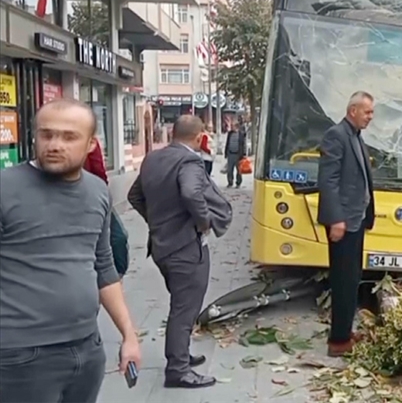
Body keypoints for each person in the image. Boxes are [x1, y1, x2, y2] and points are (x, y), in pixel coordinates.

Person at [0, 99, 141, 403]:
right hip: (19, 357)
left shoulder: (97, 191)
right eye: (46, 134)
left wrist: (128, 334)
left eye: (68, 136)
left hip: (87, 350)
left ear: (91, 144)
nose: (54, 144)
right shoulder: (5, 188)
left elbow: (103, 267)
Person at [127, 115, 233, 389]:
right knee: (184, 310)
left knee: (181, 304)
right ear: (199, 138)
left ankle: (180, 354)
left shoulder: (152, 159)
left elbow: (134, 196)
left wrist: (157, 222)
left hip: (162, 247)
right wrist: (203, 223)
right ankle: (178, 370)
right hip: (186, 248)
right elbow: (190, 192)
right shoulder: (190, 161)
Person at [317, 91, 376, 358]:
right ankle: (338, 342)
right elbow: (328, 181)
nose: (370, 117)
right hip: (344, 222)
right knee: (342, 281)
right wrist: (336, 219)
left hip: (356, 219)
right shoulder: (336, 135)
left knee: (352, 280)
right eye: (367, 112)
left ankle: (345, 331)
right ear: (353, 110)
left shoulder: (355, 137)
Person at [82, 138, 131, 277]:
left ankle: (115, 277)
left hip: (93, 197)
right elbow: (100, 174)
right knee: (116, 238)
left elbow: (99, 173)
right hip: (92, 197)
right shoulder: (88, 141)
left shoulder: (90, 141)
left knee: (115, 238)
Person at [224, 122, 247, 188]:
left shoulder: (241, 134)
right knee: (229, 170)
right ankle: (230, 182)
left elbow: (243, 144)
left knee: (239, 170)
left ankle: (238, 182)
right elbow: (227, 143)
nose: (231, 127)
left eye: (233, 126)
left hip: (238, 154)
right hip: (230, 153)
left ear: (236, 127)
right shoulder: (230, 134)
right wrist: (226, 153)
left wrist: (244, 154)